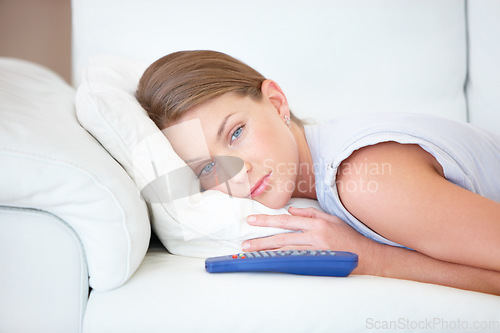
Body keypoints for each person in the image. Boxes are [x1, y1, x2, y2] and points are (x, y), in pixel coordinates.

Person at [136, 50, 500, 295]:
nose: (238, 173)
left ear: (276, 102)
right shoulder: (321, 164)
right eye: (210, 168)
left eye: (236, 132)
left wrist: (374, 260)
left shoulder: (362, 179)